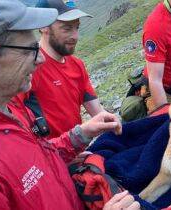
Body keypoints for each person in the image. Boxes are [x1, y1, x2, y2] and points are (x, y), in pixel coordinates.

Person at [0, 0, 138, 209]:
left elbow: (38, 159)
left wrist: (79, 136)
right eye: (28, 49)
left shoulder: (10, 110)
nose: (40, 59)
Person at [24, 0, 119, 138]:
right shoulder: (28, 68)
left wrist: (115, 125)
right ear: (44, 26)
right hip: (46, 154)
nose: (75, 36)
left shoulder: (77, 65)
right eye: (67, 28)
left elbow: (98, 112)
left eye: (77, 28)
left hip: (76, 149)